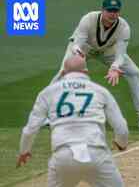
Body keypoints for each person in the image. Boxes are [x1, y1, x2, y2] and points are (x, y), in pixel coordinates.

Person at [17, 55, 129, 187]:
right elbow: (121, 127)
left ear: (63, 73)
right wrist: (121, 143)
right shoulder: (100, 91)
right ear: (86, 72)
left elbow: (30, 129)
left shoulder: (47, 92)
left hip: (63, 156)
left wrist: (24, 151)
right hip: (97, 154)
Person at [51, 0, 139, 128]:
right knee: (63, 72)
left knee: (134, 72)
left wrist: (115, 67)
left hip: (108, 51)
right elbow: (77, 43)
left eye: (116, 11)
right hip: (83, 48)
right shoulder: (89, 19)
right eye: (109, 11)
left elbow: (120, 55)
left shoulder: (123, 27)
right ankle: (48, 115)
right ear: (102, 10)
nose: (113, 14)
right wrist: (78, 56)